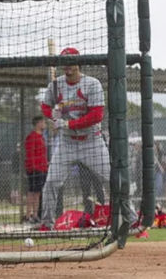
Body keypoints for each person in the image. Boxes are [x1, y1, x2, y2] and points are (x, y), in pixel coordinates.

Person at [38, 46, 110, 231]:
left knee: (112, 179)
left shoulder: (92, 84)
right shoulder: (55, 85)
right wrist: (53, 114)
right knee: (52, 182)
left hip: (92, 141)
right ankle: (46, 224)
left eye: (71, 62)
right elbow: (45, 106)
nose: (68, 66)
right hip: (67, 143)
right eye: (65, 62)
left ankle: (130, 219)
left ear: (78, 63)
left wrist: (68, 124)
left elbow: (96, 115)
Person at [24, 114, 48, 223]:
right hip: (35, 169)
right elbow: (30, 154)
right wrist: (32, 168)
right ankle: (28, 215)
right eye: (43, 122)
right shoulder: (32, 136)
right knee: (32, 192)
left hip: (42, 168)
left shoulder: (41, 136)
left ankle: (35, 214)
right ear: (38, 124)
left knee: (38, 192)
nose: (44, 124)